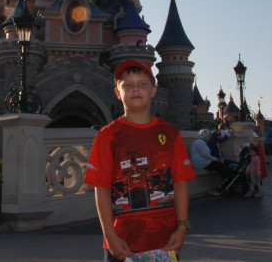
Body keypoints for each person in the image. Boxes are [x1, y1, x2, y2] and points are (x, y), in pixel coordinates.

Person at [84, 61, 195, 262]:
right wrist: (109, 236)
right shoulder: (107, 136)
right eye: (127, 85)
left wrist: (182, 227)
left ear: (154, 90)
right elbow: (101, 189)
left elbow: (180, 184)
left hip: (165, 242)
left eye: (142, 84)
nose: (135, 89)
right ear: (117, 92)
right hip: (121, 243)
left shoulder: (170, 133)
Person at [190, 129, 234, 196]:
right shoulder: (199, 142)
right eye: (209, 136)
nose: (210, 137)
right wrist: (215, 159)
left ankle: (227, 181)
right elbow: (205, 154)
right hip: (201, 163)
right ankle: (227, 182)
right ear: (205, 135)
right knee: (221, 166)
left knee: (221, 166)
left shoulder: (202, 142)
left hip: (204, 162)